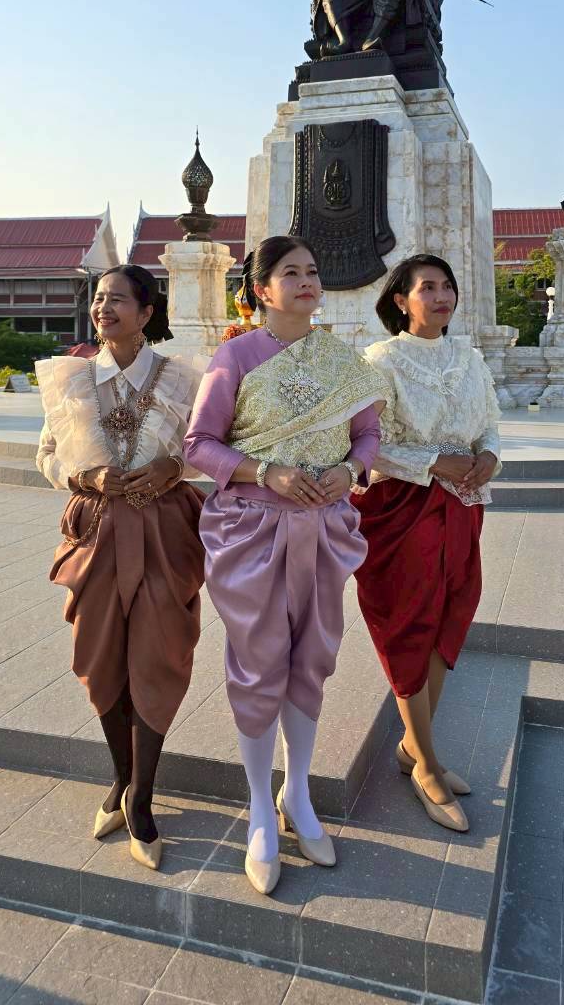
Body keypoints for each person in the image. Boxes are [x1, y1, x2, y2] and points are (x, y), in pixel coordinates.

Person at [184, 236, 384, 895]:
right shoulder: (236, 355)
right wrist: (264, 469)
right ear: (262, 289)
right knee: (259, 659)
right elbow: (200, 444)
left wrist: (349, 472)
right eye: (290, 272)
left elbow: (367, 436)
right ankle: (255, 809)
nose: (306, 281)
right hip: (252, 530)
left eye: (313, 271)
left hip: (324, 528)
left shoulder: (344, 362)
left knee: (313, 657)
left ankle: (296, 796)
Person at [35, 265, 204, 872]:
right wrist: (83, 477)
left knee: (159, 656)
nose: (104, 309)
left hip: (164, 530)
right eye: (99, 300)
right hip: (96, 530)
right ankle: (122, 779)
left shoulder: (183, 379)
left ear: (147, 311)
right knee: (99, 654)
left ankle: (144, 798)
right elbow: (48, 455)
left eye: (118, 300)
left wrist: (174, 467)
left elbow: (206, 441)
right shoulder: (71, 378)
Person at [353, 254, 501, 833]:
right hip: (402, 508)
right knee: (409, 621)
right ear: (400, 300)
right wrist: (436, 460)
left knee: (450, 616)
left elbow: (489, 422)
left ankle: (414, 745)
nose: (441, 296)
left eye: (447, 287)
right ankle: (428, 762)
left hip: (463, 508)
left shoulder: (469, 359)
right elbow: (369, 441)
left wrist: (488, 455)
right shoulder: (380, 361)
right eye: (427, 288)